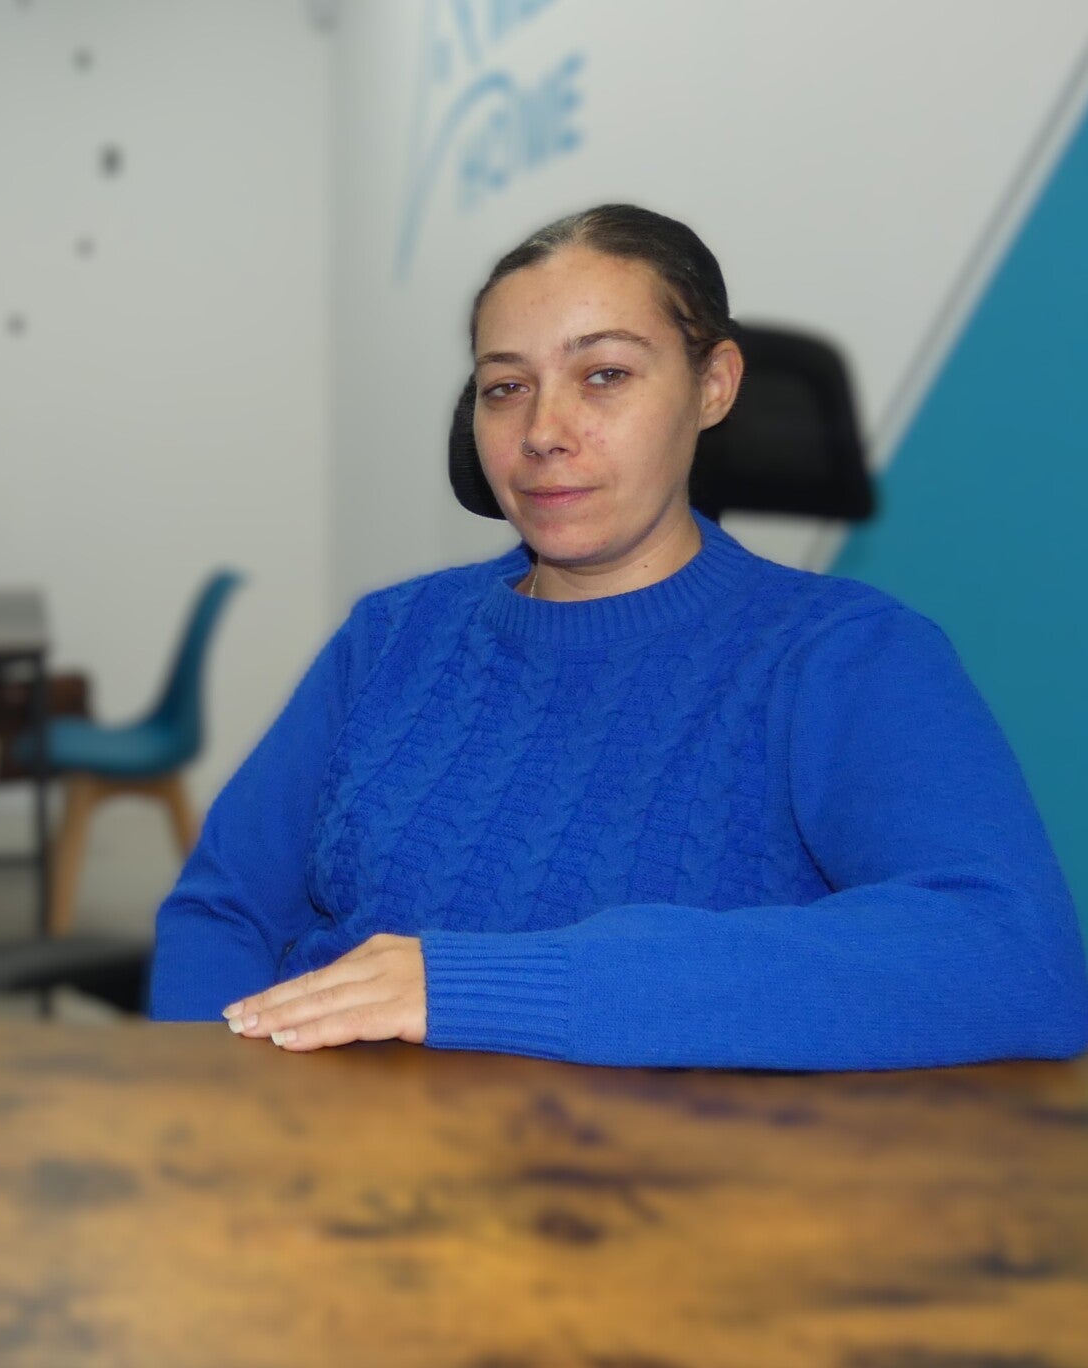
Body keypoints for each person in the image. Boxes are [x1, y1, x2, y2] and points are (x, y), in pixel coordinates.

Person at [148, 203, 1088, 1070]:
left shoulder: (844, 657)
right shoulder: (389, 638)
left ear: (712, 385)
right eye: (504, 387)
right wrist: (217, 1117)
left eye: (603, 375)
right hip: (334, 1163)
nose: (543, 431)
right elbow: (223, 911)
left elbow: (1014, 959)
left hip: (651, 1181)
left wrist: (486, 986)